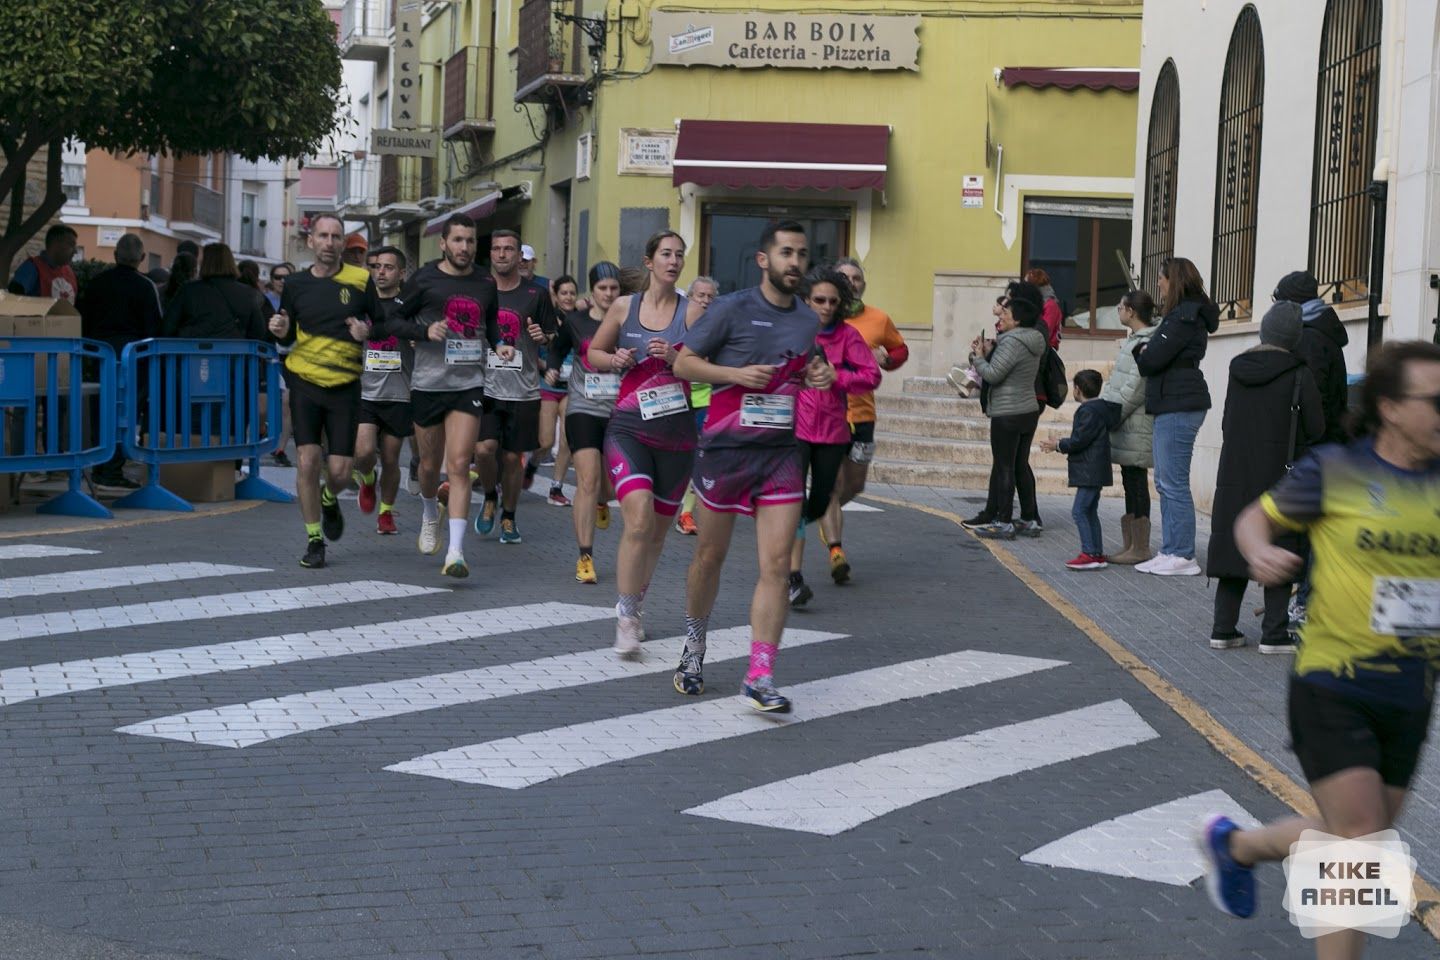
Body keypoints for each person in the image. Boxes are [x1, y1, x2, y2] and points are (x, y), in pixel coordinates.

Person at [1198, 341, 1440, 960]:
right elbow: (1255, 517)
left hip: (1410, 688)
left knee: (1354, 831)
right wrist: (1257, 552)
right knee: (1358, 841)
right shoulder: (1336, 471)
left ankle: (1238, 848)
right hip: (1333, 681)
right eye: (1434, 400)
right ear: (1389, 407)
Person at [672, 220, 833, 712]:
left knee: (778, 566)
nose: (795, 263)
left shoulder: (808, 320)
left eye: (802, 254)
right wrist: (733, 374)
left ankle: (759, 674)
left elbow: (809, 366)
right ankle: (694, 647)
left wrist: (818, 374)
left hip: (782, 454)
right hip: (726, 450)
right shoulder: (730, 309)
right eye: (786, 253)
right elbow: (683, 362)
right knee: (709, 558)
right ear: (764, 259)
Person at [588, 232, 703, 653]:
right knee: (636, 521)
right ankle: (625, 614)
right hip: (629, 429)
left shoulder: (692, 313)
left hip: (676, 437)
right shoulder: (625, 307)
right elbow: (594, 353)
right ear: (649, 261)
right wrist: (614, 358)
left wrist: (677, 360)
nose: (673, 261)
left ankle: (636, 604)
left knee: (655, 534)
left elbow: (709, 367)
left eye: (679, 255)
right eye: (666, 254)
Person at [266, 213, 384, 569]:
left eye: (336, 237)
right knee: (307, 460)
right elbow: (286, 331)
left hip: (345, 385)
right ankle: (314, 539)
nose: (330, 243)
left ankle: (330, 496)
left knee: (340, 473)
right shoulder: (297, 284)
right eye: (323, 236)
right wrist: (279, 327)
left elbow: (381, 325)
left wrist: (367, 332)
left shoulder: (362, 280)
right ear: (311, 242)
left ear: (343, 243)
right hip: (304, 381)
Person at [1206, 302, 1324, 652]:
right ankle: (1274, 633)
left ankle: (1223, 629)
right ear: (1295, 338)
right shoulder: (1300, 373)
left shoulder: (1237, 369)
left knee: (1231, 544)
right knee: (1280, 542)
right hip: (1279, 471)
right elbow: (1315, 427)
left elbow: (1227, 421)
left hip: (1235, 469)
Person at [390, 214, 503, 578]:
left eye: (470, 241)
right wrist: (424, 331)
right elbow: (393, 320)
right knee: (428, 466)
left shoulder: (485, 282)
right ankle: (428, 511)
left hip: (468, 384)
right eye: (458, 240)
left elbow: (495, 323)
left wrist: (502, 344)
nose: (464, 248)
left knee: (457, 465)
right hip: (427, 382)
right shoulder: (424, 278)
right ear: (443, 243)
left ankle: (455, 552)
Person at [788, 266, 880, 606]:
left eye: (832, 301)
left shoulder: (848, 337)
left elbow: (871, 377)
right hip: (795, 428)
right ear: (806, 301)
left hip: (833, 430)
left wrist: (836, 376)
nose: (826, 307)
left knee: (826, 496)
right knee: (795, 501)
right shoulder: (793, 332)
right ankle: (793, 577)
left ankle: (816, 541)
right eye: (819, 300)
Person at [816, 258, 908, 582]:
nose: (851, 282)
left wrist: (889, 359)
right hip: (827, 415)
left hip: (863, 414)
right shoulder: (818, 319)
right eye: (845, 277)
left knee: (855, 484)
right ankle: (836, 550)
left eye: (857, 278)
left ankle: (826, 515)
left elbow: (900, 350)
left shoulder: (878, 319)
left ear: (863, 285)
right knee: (832, 485)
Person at [1135, 257, 1220, 577]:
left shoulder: (1183, 317)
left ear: (1175, 280)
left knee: (1173, 481)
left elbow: (1152, 358)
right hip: (1173, 400)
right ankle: (1170, 549)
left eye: (1161, 278)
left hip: (1179, 402)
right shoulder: (1180, 316)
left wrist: (1143, 353)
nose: (1158, 283)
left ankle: (1183, 553)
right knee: (1164, 480)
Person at [473, 230, 558, 545]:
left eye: (509, 249)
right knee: (484, 449)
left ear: (519, 257)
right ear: (491, 254)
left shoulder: (536, 294)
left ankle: (508, 517)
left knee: (511, 459)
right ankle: (489, 495)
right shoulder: (479, 290)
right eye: (496, 248)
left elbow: (550, 334)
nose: (502, 254)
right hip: (485, 387)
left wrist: (542, 337)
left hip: (523, 389)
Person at [552, 262, 622, 583]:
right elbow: (556, 350)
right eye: (602, 288)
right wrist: (551, 368)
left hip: (619, 410)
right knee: (587, 482)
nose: (608, 294)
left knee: (606, 487)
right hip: (582, 407)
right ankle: (585, 556)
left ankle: (603, 500)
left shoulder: (628, 321)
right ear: (591, 292)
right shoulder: (576, 321)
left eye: (614, 288)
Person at [77, 233, 163, 490]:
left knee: (99, 411)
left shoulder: (97, 282)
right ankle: (113, 469)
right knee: (124, 413)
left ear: (115, 256)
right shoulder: (145, 286)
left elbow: (83, 318)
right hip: (131, 358)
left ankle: (99, 464)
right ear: (142, 258)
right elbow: (154, 327)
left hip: (98, 355)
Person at [964, 281, 1048, 540]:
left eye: (1007, 315)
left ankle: (1002, 520)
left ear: (1018, 319)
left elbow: (994, 374)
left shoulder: (1012, 342)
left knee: (1004, 466)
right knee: (1019, 463)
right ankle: (1029, 518)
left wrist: (978, 356)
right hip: (1027, 410)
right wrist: (992, 350)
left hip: (1007, 412)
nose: (1002, 318)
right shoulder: (1034, 339)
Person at [352, 246, 413, 535]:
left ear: (401, 273)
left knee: (391, 459)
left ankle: (386, 513)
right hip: (366, 391)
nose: (381, 272)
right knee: (363, 452)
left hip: (399, 393)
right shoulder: (362, 305)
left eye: (388, 267)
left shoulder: (408, 306)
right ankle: (366, 478)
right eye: (376, 267)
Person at [1100, 289, 1159, 565]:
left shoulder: (1147, 341)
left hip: (1135, 421)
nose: (1118, 310)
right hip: (1126, 422)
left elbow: (1136, 386)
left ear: (1132, 311)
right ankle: (1130, 544)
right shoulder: (1134, 340)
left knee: (1136, 481)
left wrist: (1112, 414)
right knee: (1129, 479)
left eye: (1121, 306)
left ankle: (1141, 547)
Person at [1040, 370, 1112, 569]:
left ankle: (1089, 553)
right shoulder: (1101, 408)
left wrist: (1059, 445)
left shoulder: (1088, 411)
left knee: (1079, 511)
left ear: (1078, 390)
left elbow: (1080, 440)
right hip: (1096, 469)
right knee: (1090, 511)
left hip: (1090, 470)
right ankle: (1096, 553)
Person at [1275, 270, 1349, 446]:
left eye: (1278, 301)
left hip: (1315, 446)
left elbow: (1314, 398)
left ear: (1291, 303)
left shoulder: (1309, 338)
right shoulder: (1318, 328)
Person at [675, 275, 719, 536]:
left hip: (705, 401)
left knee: (700, 456)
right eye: (699, 295)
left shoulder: (718, 328)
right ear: (689, 298)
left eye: (709, 296)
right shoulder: (677, 323)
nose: (704, 300)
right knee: (677, 458)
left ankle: (686, 513)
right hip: (675, 398)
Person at [164, 243, 268, 340]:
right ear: (230, 262)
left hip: (193, 354)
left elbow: (167, 328)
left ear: (205, 262)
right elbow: (259, 331)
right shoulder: (247, 293)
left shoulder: (188, 290)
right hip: (235, 355)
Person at [539, 273, 578, 507]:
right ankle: (533, 463)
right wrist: (547, 368)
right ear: (555, 295)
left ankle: (556, 487)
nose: (569, 297)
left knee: (566, 439)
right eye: (564, 293)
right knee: (544, 442)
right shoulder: (546, 319)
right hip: (548, 384)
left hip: (572, 387)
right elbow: (533, 352)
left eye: (572, 293)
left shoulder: (580, 320)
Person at [265, 262, 296, 467]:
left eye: (286, 277)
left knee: (287, 405)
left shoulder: (300, 301)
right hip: (266, 358)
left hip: (292, 359)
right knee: (265, 406)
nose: (282, 281)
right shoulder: (264, 301)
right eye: (277, 277)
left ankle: (280, 448)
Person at [8, 224, 78, 302]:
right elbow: (13, 299)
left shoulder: (69, 273)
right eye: (71, 245)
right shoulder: (32, 267)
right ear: (55, 244)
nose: (75, 251)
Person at [1024, 267, 1064, 348]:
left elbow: (1044, 333)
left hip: (1044, 351)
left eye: (1026, 284)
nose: (1024, 287)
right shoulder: (1033, 302)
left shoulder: (1050, 305)